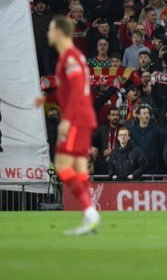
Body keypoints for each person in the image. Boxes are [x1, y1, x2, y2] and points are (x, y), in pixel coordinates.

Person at [35, 16, 100, 235]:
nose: (48, 34)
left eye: (51, 30)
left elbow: (76, 89)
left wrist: (67, 120)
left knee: (62, 166)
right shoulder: (73, 57)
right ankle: (89, 215)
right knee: (79, 168)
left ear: (60, 33)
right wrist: (46, 99)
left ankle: (90, 213)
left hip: (77, 118)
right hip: (83, 117)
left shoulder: (70, 58)